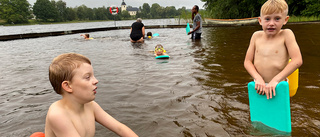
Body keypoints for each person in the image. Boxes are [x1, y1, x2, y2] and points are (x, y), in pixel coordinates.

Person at [45, 53, 138, 137]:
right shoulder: (58, 115)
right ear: (68, 86)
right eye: (88, 77)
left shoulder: (90, 105)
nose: (96, 81)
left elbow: (120, 128)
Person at [244, 0, 303, 99]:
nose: (271, 23)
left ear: (285, 20)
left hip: (278, 84)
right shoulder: (256, 36)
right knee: (260, 112)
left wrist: (275, 80)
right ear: (260, 21)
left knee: (279, 113)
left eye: (277, 19)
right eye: (267, 19)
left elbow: (297, 60)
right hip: (259, 84)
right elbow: (247, 61)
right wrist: (257, 78)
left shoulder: (286, 35)